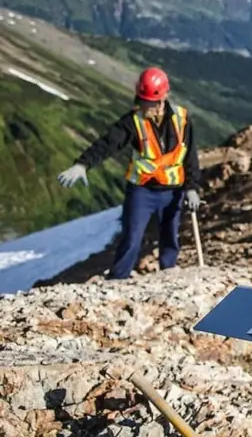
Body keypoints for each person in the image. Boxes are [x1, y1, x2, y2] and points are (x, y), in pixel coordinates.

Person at [57, 67, 202, 279]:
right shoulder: (133, 122)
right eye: (141, 101)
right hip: (142, 192)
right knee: (132, 237)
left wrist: (192, 188)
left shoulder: (182, 119)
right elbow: (108, 143)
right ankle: (117, 279)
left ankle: (168, 275)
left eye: (148, 103)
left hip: (173, 191)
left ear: (161, 100)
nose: (143, 107)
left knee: (170, 235)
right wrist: (83, 164)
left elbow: (190, 157)